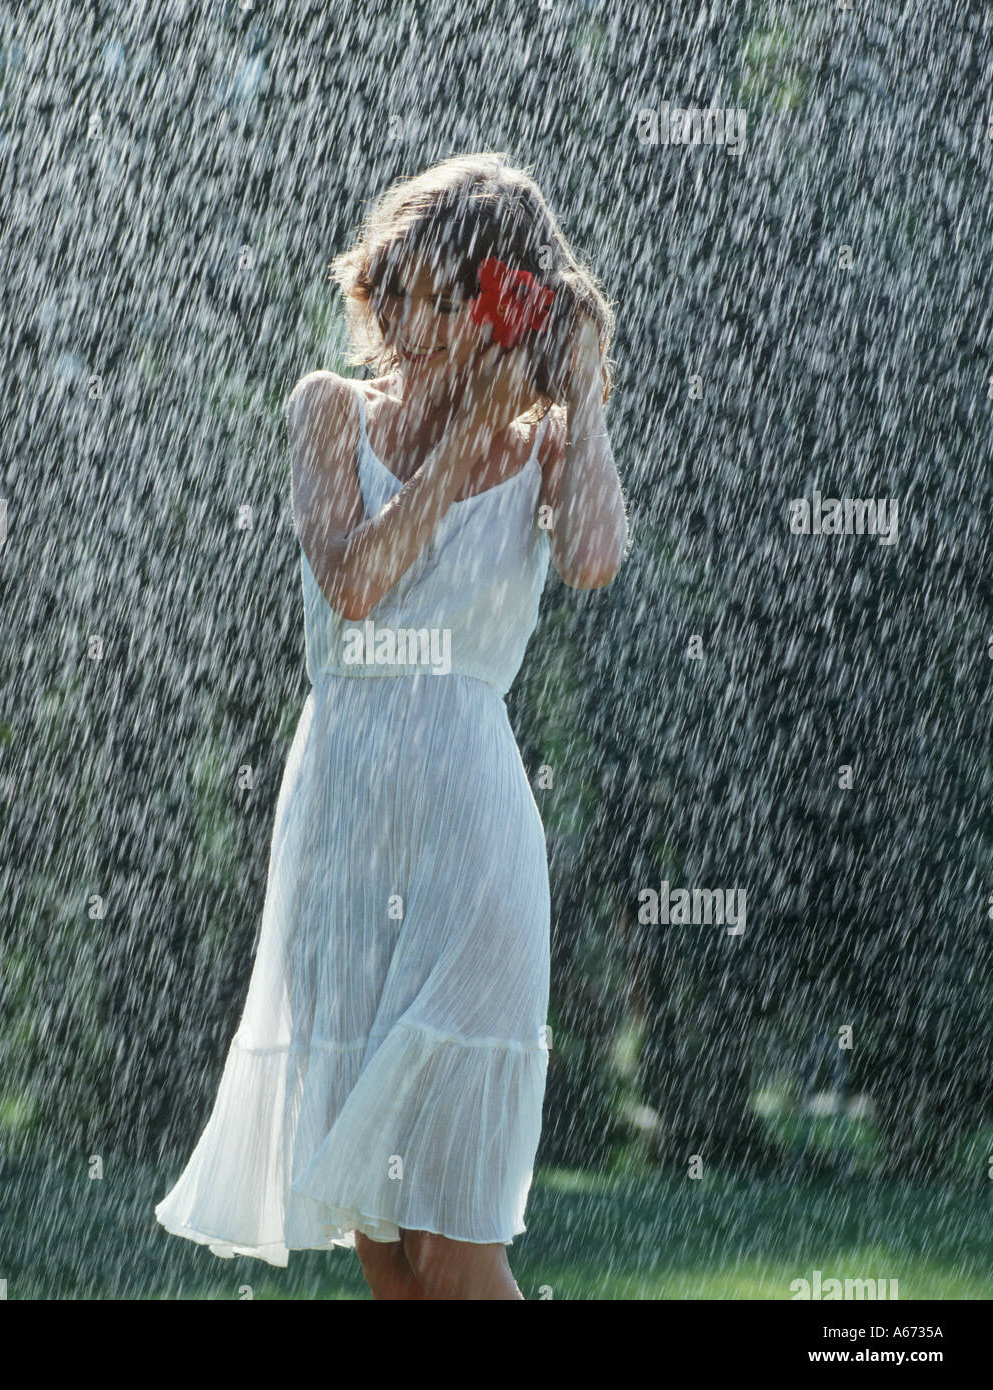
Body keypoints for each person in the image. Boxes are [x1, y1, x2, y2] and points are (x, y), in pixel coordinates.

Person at [156, 151, 629, 1299]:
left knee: (460, 1247)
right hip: (341, 833)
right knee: (386, 1243)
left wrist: (577, 388)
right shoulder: (329, 411)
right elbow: (356, 585)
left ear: (498, 302)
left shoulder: (544, 444)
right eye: (400, 284)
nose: (410, 315)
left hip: (472, 841)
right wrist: (463, 441)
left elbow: (595, 558)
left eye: (445, 291)